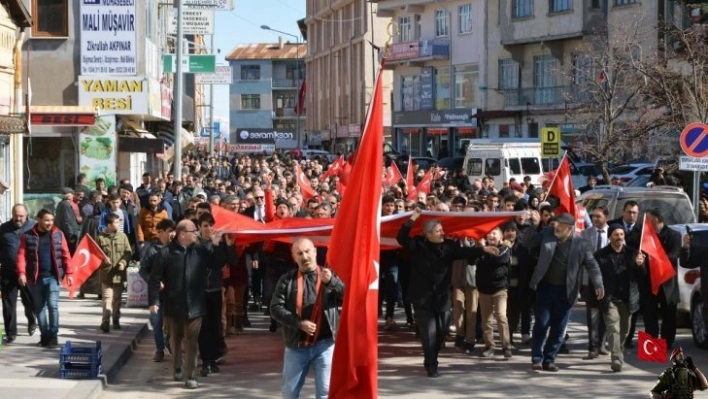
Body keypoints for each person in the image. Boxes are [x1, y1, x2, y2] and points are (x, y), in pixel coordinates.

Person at [396, 207, 499, 377]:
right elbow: (401, 237)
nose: (442, 233)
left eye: (442, 230)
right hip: (422, 298)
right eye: (438, 231)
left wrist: (484, 249)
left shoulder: (449, 247)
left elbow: (465, 252)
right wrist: (413, 217)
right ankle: (431, 365)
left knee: (441, 332)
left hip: (442, 297)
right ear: (429, 234)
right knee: (429, 333)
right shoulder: (418, 245)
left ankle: (432, 357)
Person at [147, 219, 236, 389]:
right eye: (193, 231)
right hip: (174, 305)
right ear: (182, 234)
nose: (196, 233)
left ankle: (191, 375)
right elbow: (154, 279)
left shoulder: (200, 251)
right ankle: (177, 366)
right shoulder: (165, 253)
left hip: (196, 304)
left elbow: (217, 264)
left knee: (192, 342)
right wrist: (154, 301)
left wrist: (217, 245)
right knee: (176, 340)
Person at [520, 211, 604, 372]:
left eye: (560, 225)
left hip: (567, 291)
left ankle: (549, 359)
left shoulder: (581, 244)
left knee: (559, 328)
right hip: (545, 287)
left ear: (569, 229)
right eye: (555, 224)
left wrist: (598, 284)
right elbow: (526, 243)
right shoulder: (546, 234)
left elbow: (592, 265)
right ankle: (537, 359)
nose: (556, 227)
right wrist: (534, 225)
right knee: (541, 324)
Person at [270, 238, 344, 399]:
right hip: (296, 346)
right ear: (294, 257)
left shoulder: (328, 274)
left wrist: (332, 282)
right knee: (290, 393)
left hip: (325, 345)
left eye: (307, 251)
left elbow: (347, 297)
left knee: (325, 392)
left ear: (315, 252)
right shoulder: (287, 280)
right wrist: (299, 324)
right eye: (299, 253)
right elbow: (275, 309)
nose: (305, 257)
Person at [16, 209, 73, 348]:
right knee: (39, 308)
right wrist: (21, 273)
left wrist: (69, 274)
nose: (49, 223)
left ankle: (53, 335)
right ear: (39, 220)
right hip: (34, 279)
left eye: (51, 220)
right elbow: (21, 256)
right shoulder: (27, 236)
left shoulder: (58, 234)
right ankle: (44, 336)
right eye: (46, 220)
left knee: (53, 306)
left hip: (53, 277)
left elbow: (65, 255)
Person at [594, 224, 644, 372]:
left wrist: (640, 265)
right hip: (609, 298)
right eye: (616, 235)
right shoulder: (600, 255)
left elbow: (642, 277)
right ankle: (616, 358)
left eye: (621, 235)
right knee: (613, 327)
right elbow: (594, 278)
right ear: (610, 237)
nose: (619, 238)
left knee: (624, 330)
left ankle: (618, 349)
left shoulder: (633, 254)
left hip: (628, 298)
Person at [641, 208, 681, 349]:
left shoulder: (674, 235)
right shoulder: (645, 236)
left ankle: (666, 342)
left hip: (667, 282)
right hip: (649, 282)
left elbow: (675, 254)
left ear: (656, 220)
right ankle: (650, 342)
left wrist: (657, 259)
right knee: (649, 314)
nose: (646, 222)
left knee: (669, 315)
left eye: (648, 219)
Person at [139, 218, 176, 362]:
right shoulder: (152, 249)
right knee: (156, 322)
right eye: (168, 232)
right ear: (160, 232)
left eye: (173, 231)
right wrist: (154, 281)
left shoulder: (176, 248)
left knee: (173, 323)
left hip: (173, 292)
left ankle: (169, 342)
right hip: (156, 293)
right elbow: (143, 270)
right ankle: (159, 349)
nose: (171, 235)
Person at [0, 204, 37, 343]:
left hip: (28, 272)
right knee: (8, 302)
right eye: (16, 216)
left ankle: (32, 319)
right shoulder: (4, 229)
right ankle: (11, 332)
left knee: (30, 301)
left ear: (26, 214)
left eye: (21, 216)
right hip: (8, 272)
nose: (18, 219)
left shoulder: (34, 227)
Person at [580, 205, 610, 359]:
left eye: (598, 216)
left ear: (606, 217)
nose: (595, 219)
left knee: (605, 313)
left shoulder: (613, 233)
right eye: (593, 216)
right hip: (589, 281)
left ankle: (602, 343)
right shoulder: (585, 234)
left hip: (607, 282)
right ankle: (593, 346)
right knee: (592, 314)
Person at [96, 213, 133, 333]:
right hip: (106, 273)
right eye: (116, 222)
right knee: (107, 298)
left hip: (118, 274)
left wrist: (123, 262)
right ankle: (105, 321)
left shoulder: (123, 237)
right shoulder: (100, 238)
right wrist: (103, 259)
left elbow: (128, 252)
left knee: (116, 299)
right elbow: (95, 254)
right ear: (109, 225)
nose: (119, 224)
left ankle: (115, 319)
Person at [54, 187, 80, 255]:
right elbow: (67, 221)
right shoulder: (66, 205)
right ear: (68, 196)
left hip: (65, 235)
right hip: (69, 237)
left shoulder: (61, 204)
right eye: (72, 194)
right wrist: (70, 235)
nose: (73, 196)